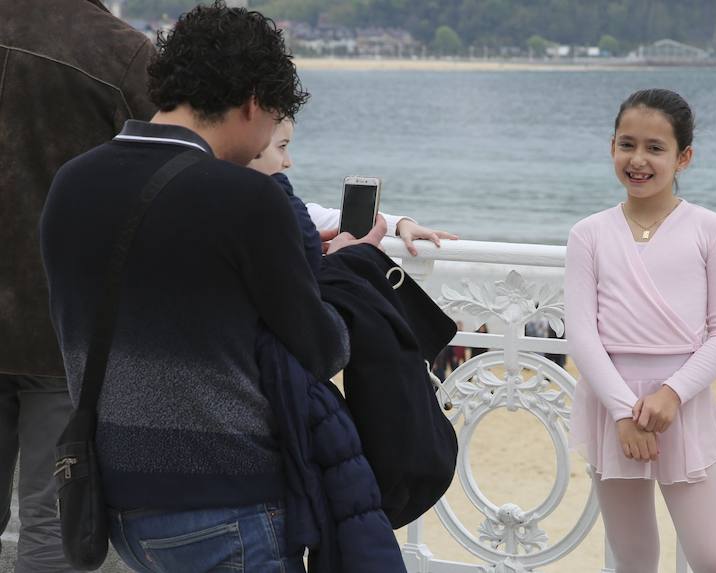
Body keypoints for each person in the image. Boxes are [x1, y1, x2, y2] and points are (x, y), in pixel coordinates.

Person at [40, 3, 378, 571]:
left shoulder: (72, 182)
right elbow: (324, 349)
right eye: (274, 121)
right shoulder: (248, 199)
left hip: (116, 501)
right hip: (226, 498)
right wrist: (344, 267)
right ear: (252, 103)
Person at [0, 1, 156, 570]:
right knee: (52, 523)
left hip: (53, 326)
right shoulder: (121, 53)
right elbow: (181, 168)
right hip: (63, 327)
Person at [564, 89, 716, 573]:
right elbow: (582, 334)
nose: (638, 159)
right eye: (627, 144)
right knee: (633, 556)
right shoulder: (588, 234)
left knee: (713, 557)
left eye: (655, 148)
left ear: (684, 157)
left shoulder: (712, 231)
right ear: (612, 147)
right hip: (612, 406)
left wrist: (671, 394)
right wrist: (623, 412)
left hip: (680, 402)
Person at [248, 119, 458, 256]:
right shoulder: (273, 212)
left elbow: (329, 218)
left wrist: (400, 224)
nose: (288, 162)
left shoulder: (283, 209)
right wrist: (342, 257)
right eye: (282, 147)